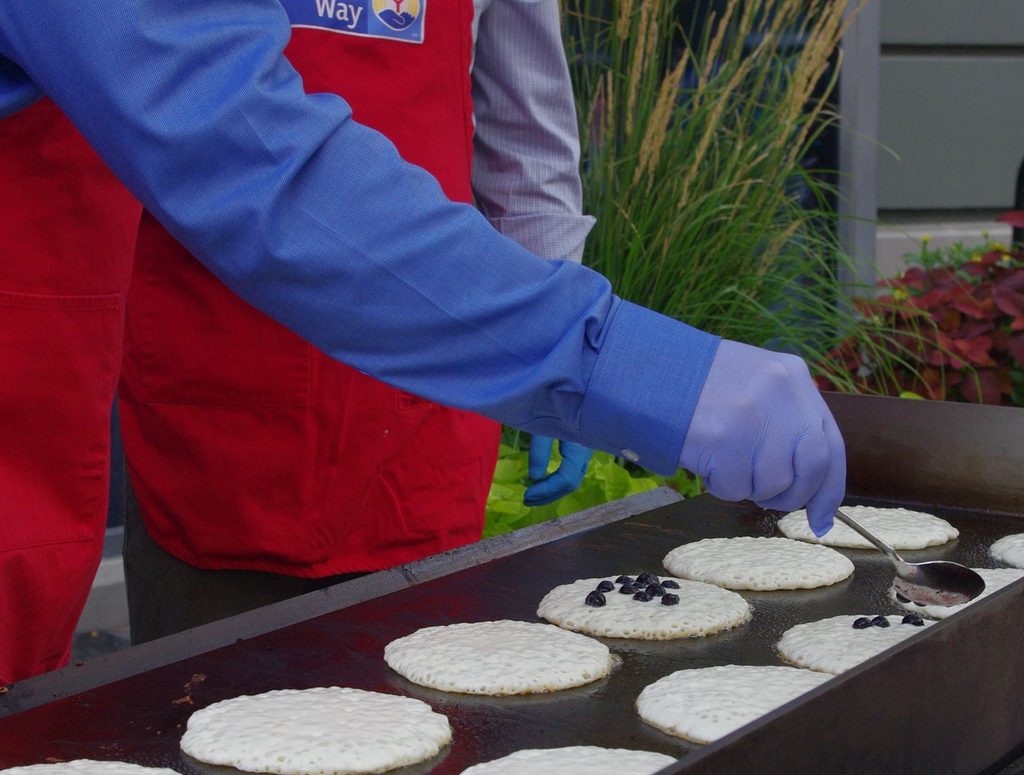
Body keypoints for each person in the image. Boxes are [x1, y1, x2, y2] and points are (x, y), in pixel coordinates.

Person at [0, 0, 845, 685]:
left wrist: (565, 356)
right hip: (216, 401)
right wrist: (615, 362)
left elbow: (526, 139)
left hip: (437, 397)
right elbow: (244, 152)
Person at [119, 0, 596, 640]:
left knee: (427, 700)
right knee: (195, 708)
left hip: (422, 397)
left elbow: (525, 148)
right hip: (210, 379)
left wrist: (561, 338)